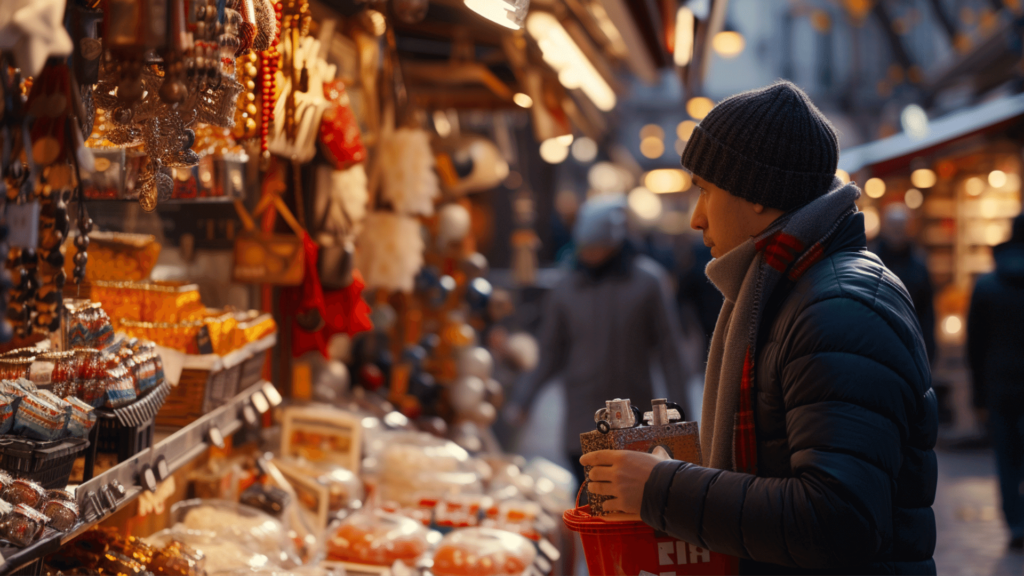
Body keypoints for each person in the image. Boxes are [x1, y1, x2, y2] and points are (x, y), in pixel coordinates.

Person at [581, 81, 937, 575]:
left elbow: (838, 519)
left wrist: (662, 488)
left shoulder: (837, 307)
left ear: (758, 196)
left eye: (705, 190)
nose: (696, 218)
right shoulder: (794, 291)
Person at [508, 195, 690, 487]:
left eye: (597, 247)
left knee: (634, 509)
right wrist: (523, 400)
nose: (590, 253)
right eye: (585, 247)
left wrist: (681, 417)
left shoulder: (648, 282)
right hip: (582, 421)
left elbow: (670, 352)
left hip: (634, 421)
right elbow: (550, 351)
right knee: (590, 504)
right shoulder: (566, 289)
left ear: (614, 243)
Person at [967, 212, 1024, 550]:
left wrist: (977, 395)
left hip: (999, 384)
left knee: (1005, 457)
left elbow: (975, 345)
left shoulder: (987, 285)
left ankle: (1015, 522)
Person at [874, 203, 937, 364]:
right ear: (884, 226)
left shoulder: (919, 264)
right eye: (893, 225)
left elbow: (927, 310)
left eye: (900, 225)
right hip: (877, 343)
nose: (897, 230)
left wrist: (929, 349)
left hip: (912, 345)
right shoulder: (872, 262)